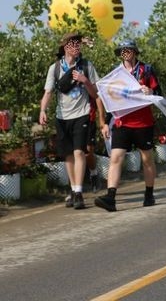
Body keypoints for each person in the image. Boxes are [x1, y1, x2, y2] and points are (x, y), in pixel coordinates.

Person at [95, 40, 161, 212]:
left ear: (135, 52)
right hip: (122, 122)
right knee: (115, 158)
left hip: (143, 122)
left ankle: (149, 194)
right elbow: (111, 99)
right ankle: (110, 198)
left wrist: (150, 91)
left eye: (129, 50)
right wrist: (105, 123)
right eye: (123, 51)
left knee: (147, 159)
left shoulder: (146, 70)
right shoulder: (116, 74)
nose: (126, 53)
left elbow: (159, 93)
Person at [39, 32, 99, 210]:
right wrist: (42, 110)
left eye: (78, 44)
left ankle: (79, 192)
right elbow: (48, 92)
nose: (77, 47)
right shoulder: (55, 68)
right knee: (68, 155)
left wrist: (85, 81)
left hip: (82, 114)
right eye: (73, 44)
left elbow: (96, 94)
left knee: (79, 152)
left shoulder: (86, 65)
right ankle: (73, 189)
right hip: (62, 117)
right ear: (65, 47)